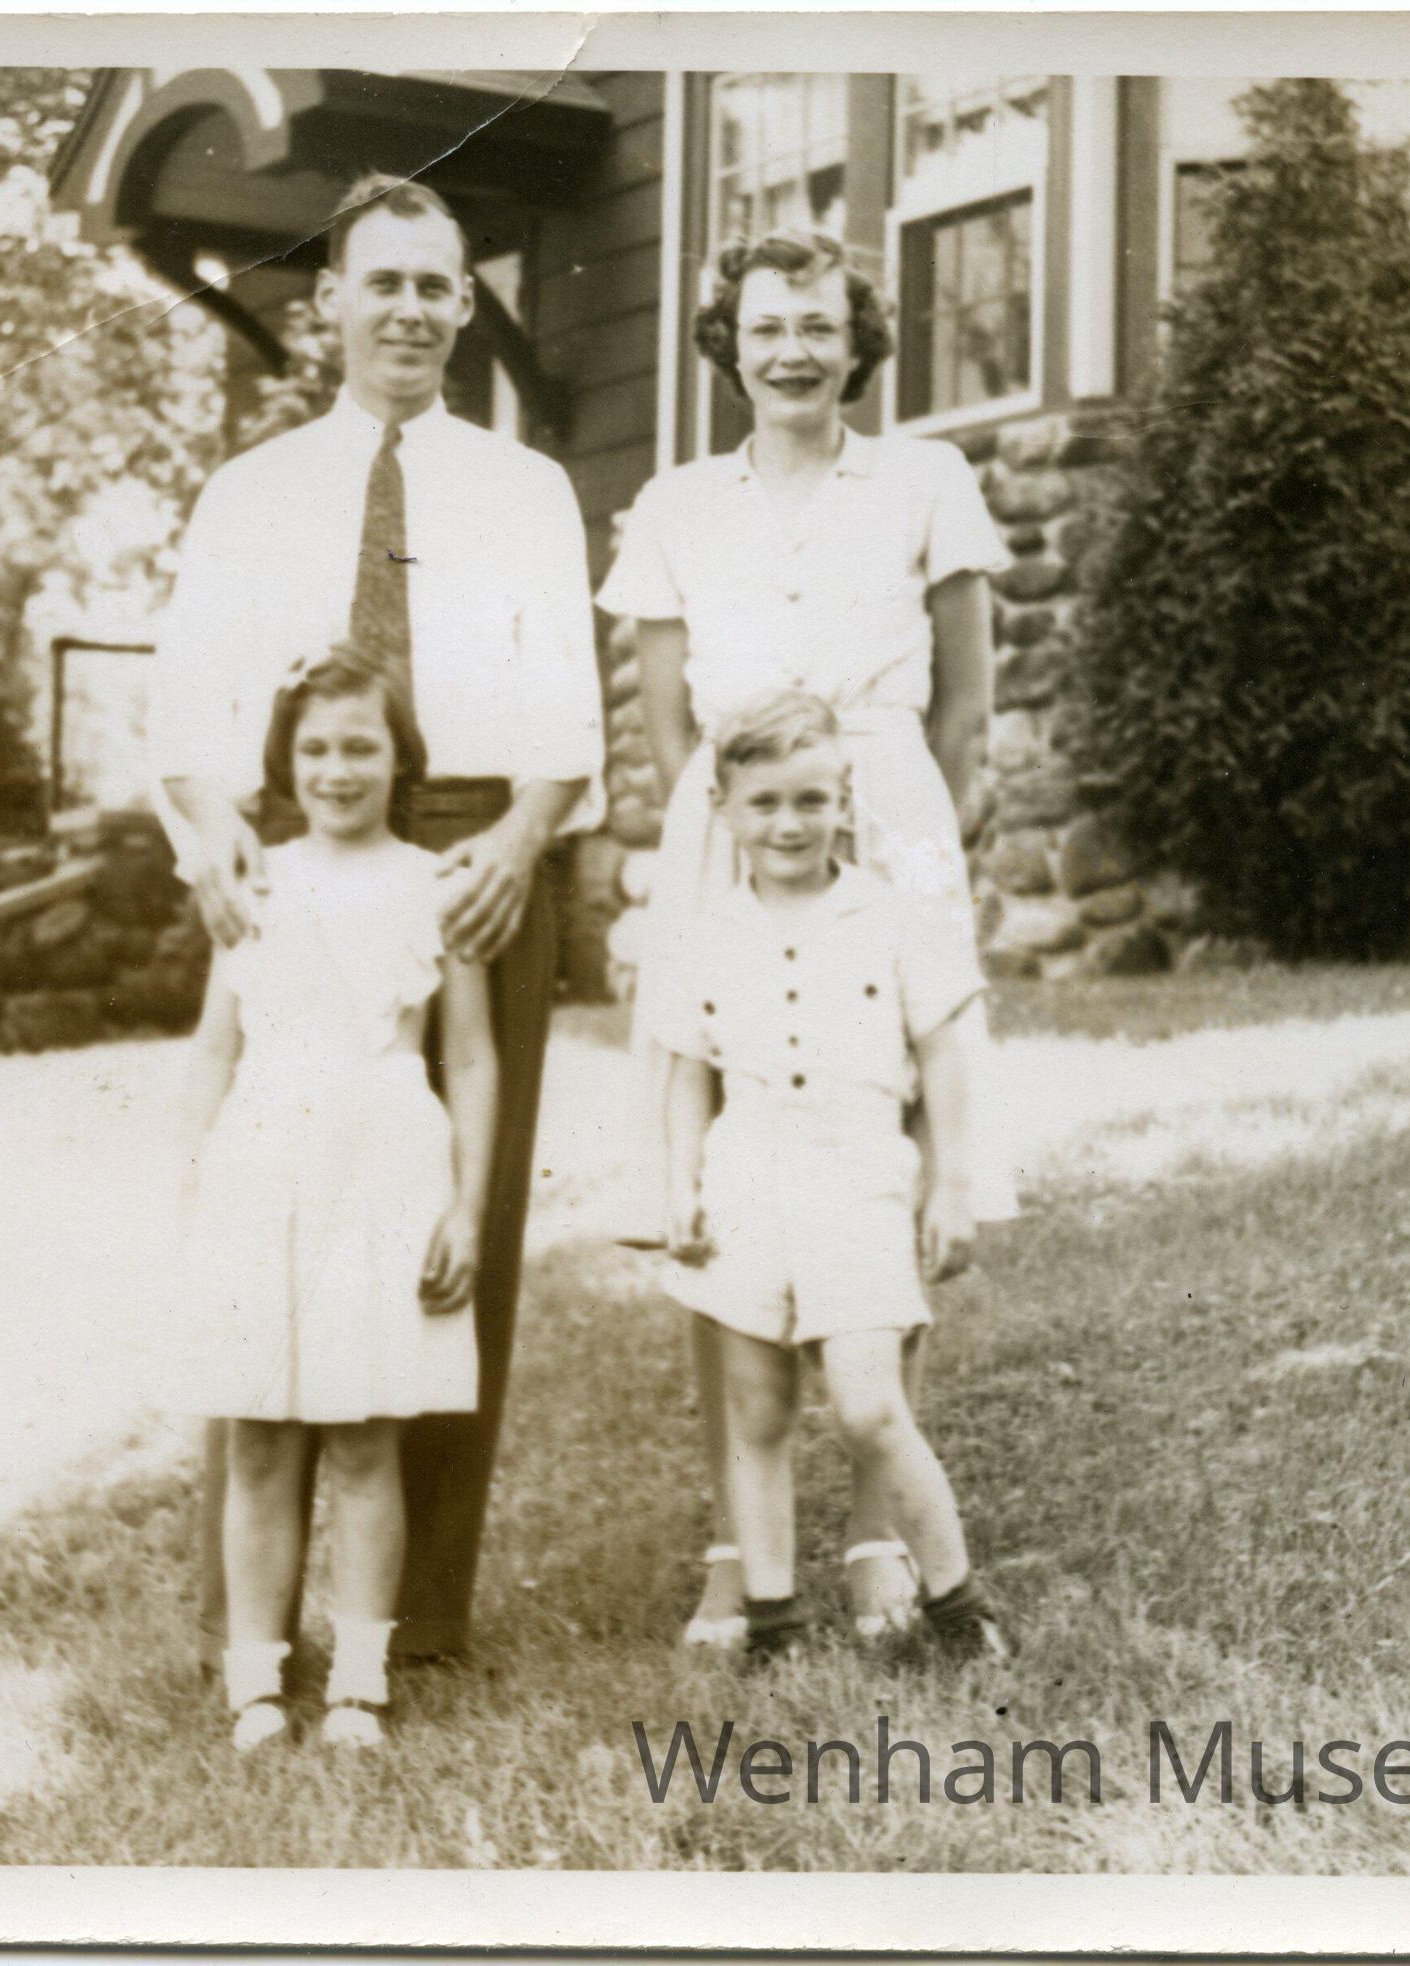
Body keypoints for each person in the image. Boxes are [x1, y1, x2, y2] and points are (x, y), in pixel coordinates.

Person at [151, 172, 604, 1665]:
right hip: (298, 838)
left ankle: (412, 1618)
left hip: (478, 847)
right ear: (329, 302)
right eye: (382, 282)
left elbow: (570, 714)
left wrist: (523, 840)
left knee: (449, 1223)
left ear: (466, 306)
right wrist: (215, 829)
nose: (408, 309)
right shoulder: (253, 491)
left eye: (434, 284)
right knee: (273, 1216)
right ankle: (249, 1622)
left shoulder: (525, 488)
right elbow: (187, 708)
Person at [596, 227, 1020, 1650]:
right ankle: (741, 1540)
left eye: (820, 326)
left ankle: (880, 1533)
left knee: (878, 1130)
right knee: (728, 1148)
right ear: (730, 342)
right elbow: (669, 721)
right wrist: (716, 838)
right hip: (731, 817)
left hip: (887, 798)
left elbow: (967, 707)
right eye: (767, 326)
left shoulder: (925, 479)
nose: (793, 350)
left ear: (858, 341)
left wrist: (918, 856)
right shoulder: (676, 501)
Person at [175, 647, 497, 1751]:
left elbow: (474, 1057)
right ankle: (255, 1683)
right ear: (285, 761)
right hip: (263, 1163)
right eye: (314, 748)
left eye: (362, 745)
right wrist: (196, 1182)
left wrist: (466, 1209)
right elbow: (213, 1049)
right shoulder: (253, 878)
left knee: (365, 1434)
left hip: (385, 1165)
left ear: (402, 756)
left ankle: (360, 1681)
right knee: (259, 1435)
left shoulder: (436, 884)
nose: (337, 769)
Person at [654, 691, 1012, 1665]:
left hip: (857, 1182)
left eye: (812, 800)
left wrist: (951, 1185)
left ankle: (957, 1602)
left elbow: (943, 1054)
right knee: (757, 1410)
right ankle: (773, 1619)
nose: (789, 824)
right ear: (724, 808)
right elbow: (686, 1074)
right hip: (744, 1184)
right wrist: (681, 1185)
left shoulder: (890, 917)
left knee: (867, 1404)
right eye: (765, 802)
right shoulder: (702, 934)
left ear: (845, 802)